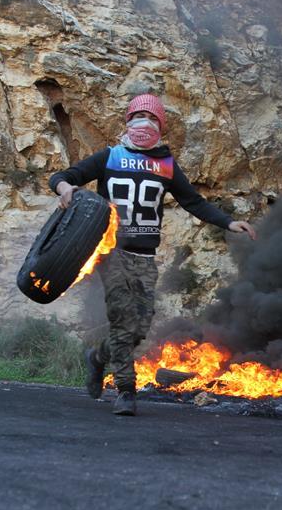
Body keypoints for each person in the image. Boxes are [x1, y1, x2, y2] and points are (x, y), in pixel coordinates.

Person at [49, 93, 256, 415]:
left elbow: (194, 202)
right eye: (137, 116)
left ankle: (99, 357)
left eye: (152, 117)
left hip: (145, 257)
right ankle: (125, 391)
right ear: (127, 121)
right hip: (111, 252)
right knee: (122, 320)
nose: (143, 123)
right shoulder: (109, 157)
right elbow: (64, 176)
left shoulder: (166, 165)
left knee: (139, 328)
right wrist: (65, 188)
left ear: (161, 125)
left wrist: (229, 222)